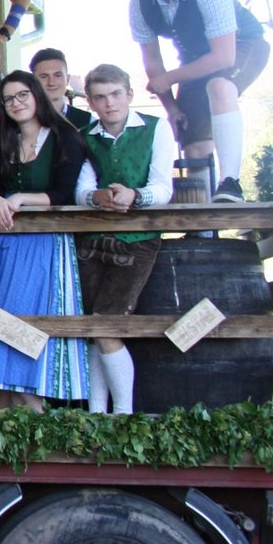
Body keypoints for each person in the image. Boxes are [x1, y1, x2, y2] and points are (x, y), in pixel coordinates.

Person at [0, 71, 90, 409]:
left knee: (26, 323)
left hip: (41, 243)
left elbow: (64, 193)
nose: (16, 103)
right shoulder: (0, 141)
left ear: (36, 95)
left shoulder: (64, 137)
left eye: (22, 95)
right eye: (8, 99)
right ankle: (2, 410)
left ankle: (32, 408)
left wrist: (22, 197)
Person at [129, 0, 270, 202]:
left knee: (220, 87)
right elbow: (153, 62)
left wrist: (170, 78)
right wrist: (172, 108)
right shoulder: (139, 3)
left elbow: (224, 58)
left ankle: (230, 183)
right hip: (194, 62)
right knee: (193, 144)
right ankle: (202, 215)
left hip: (242, 45)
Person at [74, 63, 177, 414]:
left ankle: (123, 415)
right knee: (94, 328)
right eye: (100, 97)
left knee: (107, 325)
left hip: (137, 239)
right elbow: (81, 190)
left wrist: (135, 196)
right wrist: (97, 197)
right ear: (90, 102)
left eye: (116, 94)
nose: (110, 103)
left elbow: (163, 187)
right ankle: (96, 413)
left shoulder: (156, 128)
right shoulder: (85, 136)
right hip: (92, 239)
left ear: (129, 94)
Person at [29, 48, 92, 130]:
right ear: (33, 81)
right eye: (44, 76)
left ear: (67, 79)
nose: (51, 82)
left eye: (57, 75)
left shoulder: (88, 122)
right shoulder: (22, 120)